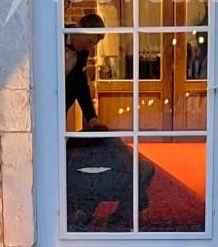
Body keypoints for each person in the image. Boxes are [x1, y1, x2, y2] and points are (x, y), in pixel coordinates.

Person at [63, 13, 154, 230]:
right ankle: (70, 212)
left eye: (95, 43)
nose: (92, 47)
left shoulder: (81, 53)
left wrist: (91, 117)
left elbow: (79, 85)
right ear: (80, 31)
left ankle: (101, 215)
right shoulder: (54, 37)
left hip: (61, 106)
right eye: (92, 41)